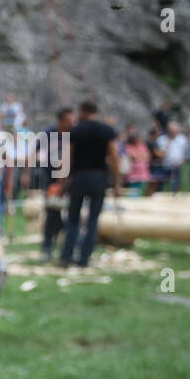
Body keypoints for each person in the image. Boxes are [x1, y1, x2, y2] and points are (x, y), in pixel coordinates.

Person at [59, 99, 121, 268]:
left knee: (73, 219)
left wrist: (63, 182)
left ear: (82, 111)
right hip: (99, 177)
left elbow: (67, 158)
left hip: (79, 177)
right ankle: (84, 258)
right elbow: (114, 157)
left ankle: (66, 256)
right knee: (93, 220)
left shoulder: (75, 131)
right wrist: (117, 183)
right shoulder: (107, 131)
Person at [34, 107, 75, 260]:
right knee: (52, 213)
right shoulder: (48, 133)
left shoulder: (74, 134)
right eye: (69, 120)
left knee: (70, 214)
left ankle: (68, 247)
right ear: (61, 120)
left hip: (70, 180)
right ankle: (47, 247)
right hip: (51, 179)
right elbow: (34, 152)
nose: (72, 123)